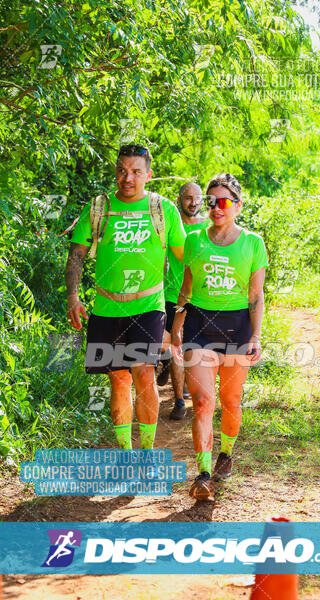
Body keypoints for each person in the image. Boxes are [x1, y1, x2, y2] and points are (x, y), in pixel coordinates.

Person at [65, 144, 185, 451]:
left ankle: (146, 454)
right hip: (106, 307)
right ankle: (126, 454)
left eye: (135, 171)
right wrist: (73, 298)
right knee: (118, 380)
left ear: (148, 174)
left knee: (144, 374)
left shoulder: (163, 210)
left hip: (148, 306)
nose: (127, 177)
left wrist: (183, 307)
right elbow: (77, 253)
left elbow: (186, 260)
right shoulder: (99, 207)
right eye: (121, 170)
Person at [171, 173, 267, 501]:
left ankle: (226, 452)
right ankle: (203, 474)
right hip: (199, 324)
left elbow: (256, 296)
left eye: (224, 201)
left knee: (230, 401)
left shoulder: (253, 243)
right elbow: (187, 285)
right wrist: (176, 323)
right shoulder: (195, 239)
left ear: (238, 205)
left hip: (238, 327)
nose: (216, 207)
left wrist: (255, 335)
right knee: (202, 402)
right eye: (211, 201)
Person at [159, 182, 209, 420]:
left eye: (197, 198)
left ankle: (197, 391)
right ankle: (179, 400)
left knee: (197, 347)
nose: (193, 202)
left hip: (202, 296)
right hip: (173, 295)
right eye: (188, 198)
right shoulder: (170, 225)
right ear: (179, 200)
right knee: (176, 345)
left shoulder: (210, 226)